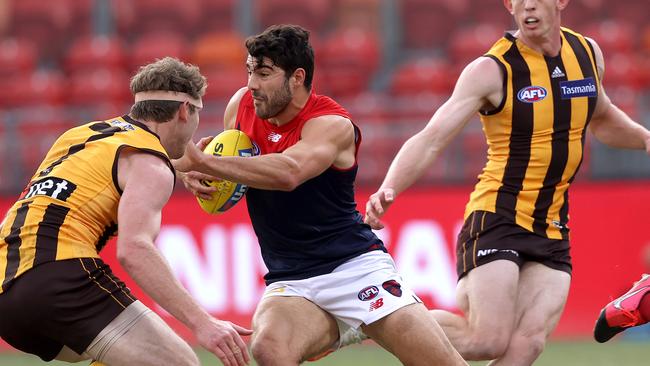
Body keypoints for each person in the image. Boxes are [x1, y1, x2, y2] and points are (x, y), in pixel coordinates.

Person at [364, 0, 650, 365]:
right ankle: (373, 320)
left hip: (551, 226)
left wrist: (643, 138)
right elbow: (432, 136)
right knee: (486, 340)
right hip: (497, 216)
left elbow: (602, 115)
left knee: (526, 345)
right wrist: (389, 187)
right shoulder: (492, 69)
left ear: (561, 1)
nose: (527, 5)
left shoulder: (587, 52)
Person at [174, 24, 467, 366]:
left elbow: (289, 173)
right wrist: (192, 171)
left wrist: (206, 161)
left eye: (264, 73)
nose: (252, 83)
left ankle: (363, 321)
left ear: (297, 77)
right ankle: (344, 326)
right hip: (291, 278)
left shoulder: (332, 124)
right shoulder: (242, 105)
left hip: (356, 268)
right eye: (250, 71)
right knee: (269, 348)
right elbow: (228, 167)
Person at [0, 57, 251, 366]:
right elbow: (133, 250)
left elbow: (120, 165)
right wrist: (203, 323)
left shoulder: (80, 135)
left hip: (7, 293)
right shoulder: (150, 166)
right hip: (57, 275)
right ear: (186, 111)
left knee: (118, 356)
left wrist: (186, 170)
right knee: (181, 363)